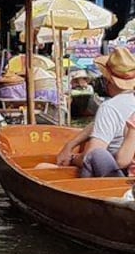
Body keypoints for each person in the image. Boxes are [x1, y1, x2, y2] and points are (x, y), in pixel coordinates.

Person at [56, 47, 135, 178]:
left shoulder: (109, 107)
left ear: (109, 81)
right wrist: (71, 144)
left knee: (96, 155)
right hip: (125, 172)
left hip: (118, 177)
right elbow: (98, 125)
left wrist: (73, 159)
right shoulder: (119, 106)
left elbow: (94, 154)